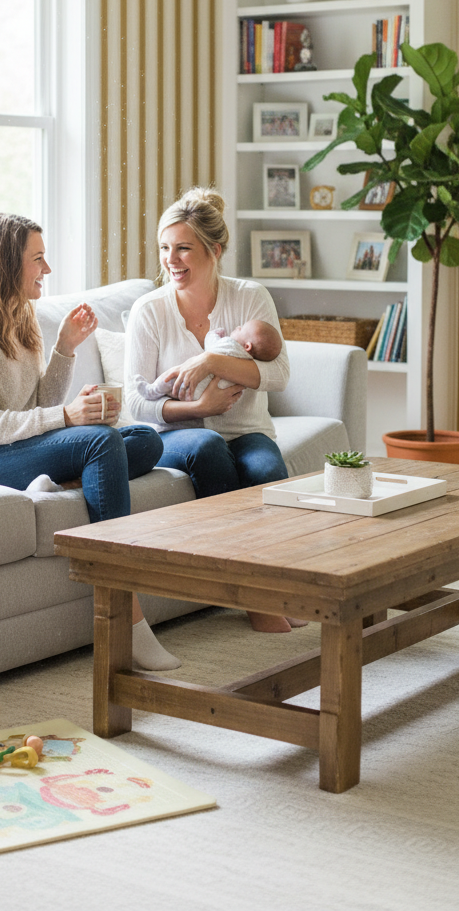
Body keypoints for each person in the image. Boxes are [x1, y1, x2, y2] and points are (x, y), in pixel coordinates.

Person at [0, 212, 178, 671]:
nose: (47, 270)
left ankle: (68, 476)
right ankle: (123, 616)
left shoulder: (18, 318)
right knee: (100, 445)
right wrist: (68, 417)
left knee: (145, 442)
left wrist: (65, 348)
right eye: (38, 259)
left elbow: (35, 406)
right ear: (5, 264)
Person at [125, 187, 305, 634]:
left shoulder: (249, 297)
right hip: (174, 436)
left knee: (266, 471)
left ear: (215, 250)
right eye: (165, 248)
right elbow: (135, 402)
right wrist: (198, 406)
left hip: (247, 431)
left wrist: (208, 361)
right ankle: (255, 598)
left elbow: (279, 375)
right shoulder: (149, 310)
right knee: (207, 446)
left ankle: (286, 586)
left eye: (184, 248)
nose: (172, 260)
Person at [138, 318, 281, 403]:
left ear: (247, 346)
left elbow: (211, 345)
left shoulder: (230, 345)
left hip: (190, 385)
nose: (237, 327)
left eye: (241, 329)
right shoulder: (248, 362)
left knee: (171, 375)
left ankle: (150, 390)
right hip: (202, 396)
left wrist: (214, 334)